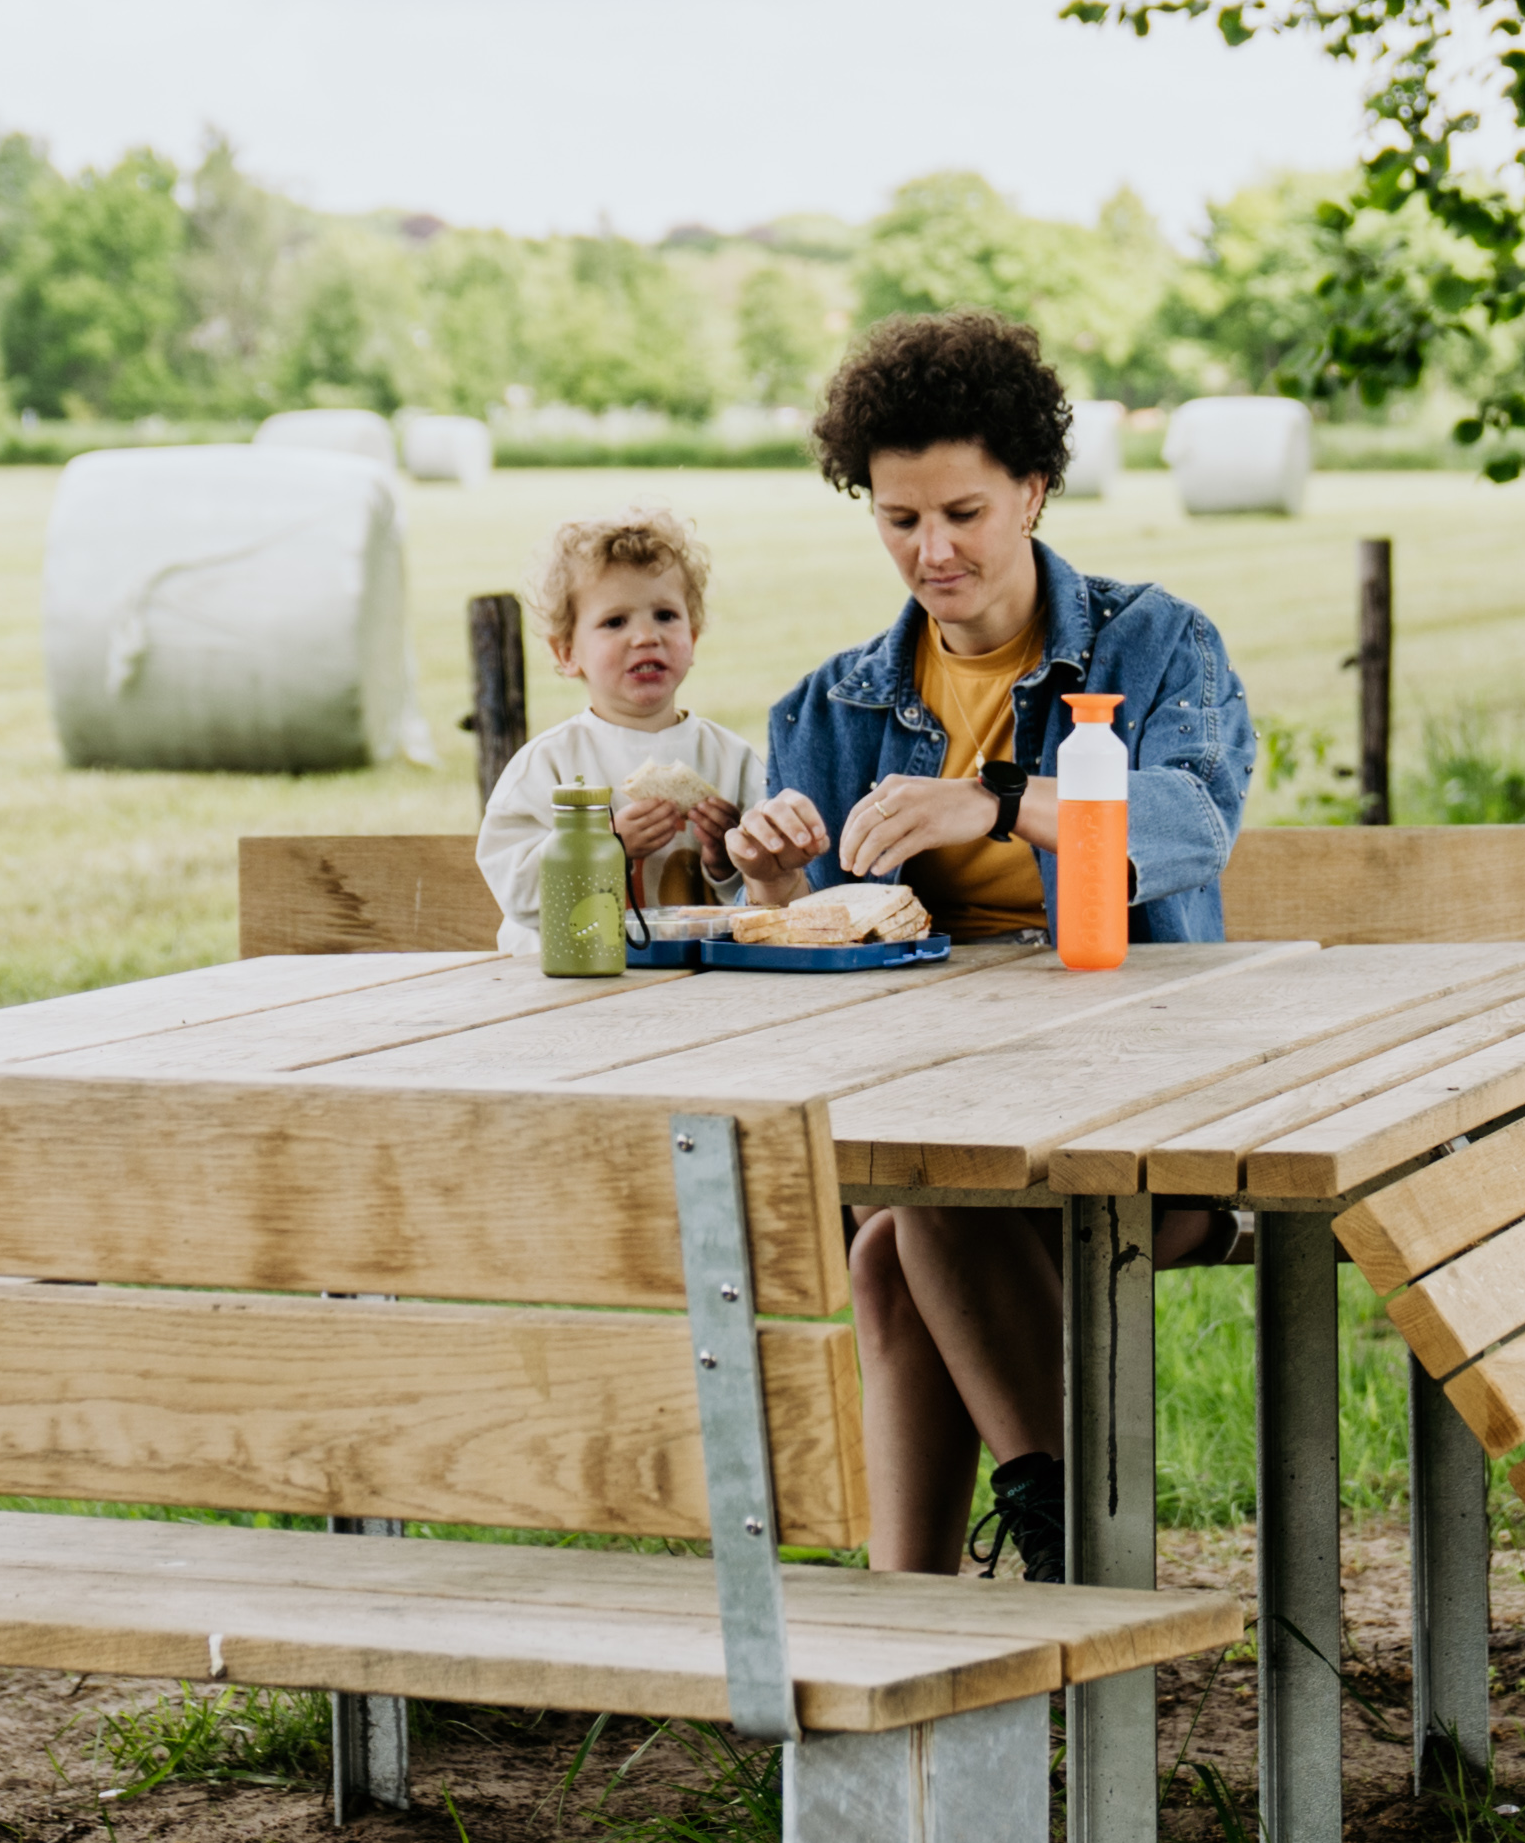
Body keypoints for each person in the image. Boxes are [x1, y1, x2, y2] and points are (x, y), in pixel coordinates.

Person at [727, 309, 1256, 1581]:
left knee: (920, 1213)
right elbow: (838, 944)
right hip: (940, 1104)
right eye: (900, 518)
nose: (933, 550)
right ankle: (979, 1588)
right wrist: (779, 883)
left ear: (1033, 488)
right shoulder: (831, 706)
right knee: (901, 1230)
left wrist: (1000, 797)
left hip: (1144, 1112)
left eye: (963, 512)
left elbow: (1192, 820)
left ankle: (1044, 1564)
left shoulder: (1154, 644)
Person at [475, 508, 779, 954]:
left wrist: (727, 863)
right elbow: (516, 890)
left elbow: (766, 895)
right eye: (615, 622)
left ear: (693, 638)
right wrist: (604, 847)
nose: (645, 637)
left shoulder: (732, 760)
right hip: (568, 979)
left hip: (697, 981)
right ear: (567, 652)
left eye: (665, 615)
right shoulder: (548, 765)